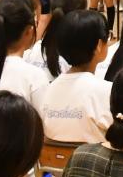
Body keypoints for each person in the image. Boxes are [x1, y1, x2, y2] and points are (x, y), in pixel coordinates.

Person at [37, 9, 112, 144]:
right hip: (93, 164)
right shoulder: (107, 91)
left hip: (53, 164)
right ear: (99, 45)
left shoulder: (48, 89)